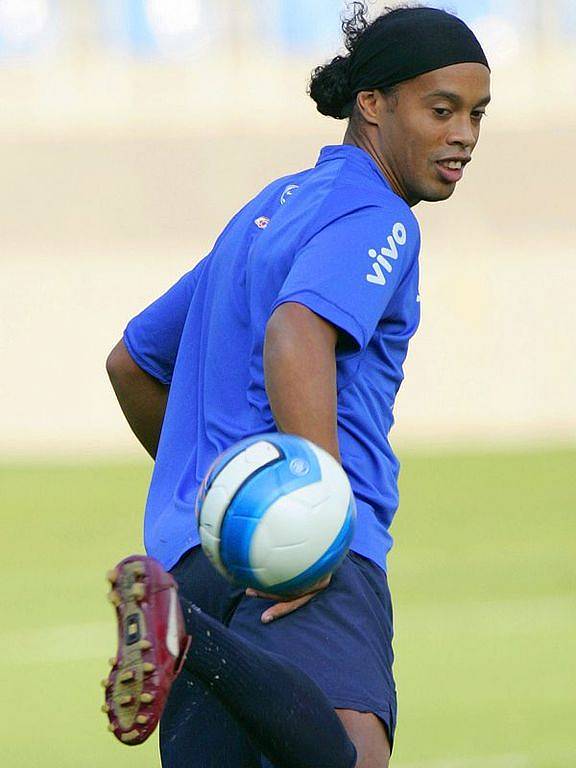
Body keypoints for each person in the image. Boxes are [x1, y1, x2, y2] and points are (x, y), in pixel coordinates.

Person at [102, 4, 491, 767]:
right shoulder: (377, 215)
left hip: (199, 554)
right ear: (372, 105)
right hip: (300, 556)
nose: (465, 135)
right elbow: (296, 332)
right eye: (440, 109)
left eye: (477, 114)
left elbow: (132, 362)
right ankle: (190, 635)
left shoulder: (271, 209)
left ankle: (187, 632)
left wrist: (223, 505)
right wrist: (308, 524)